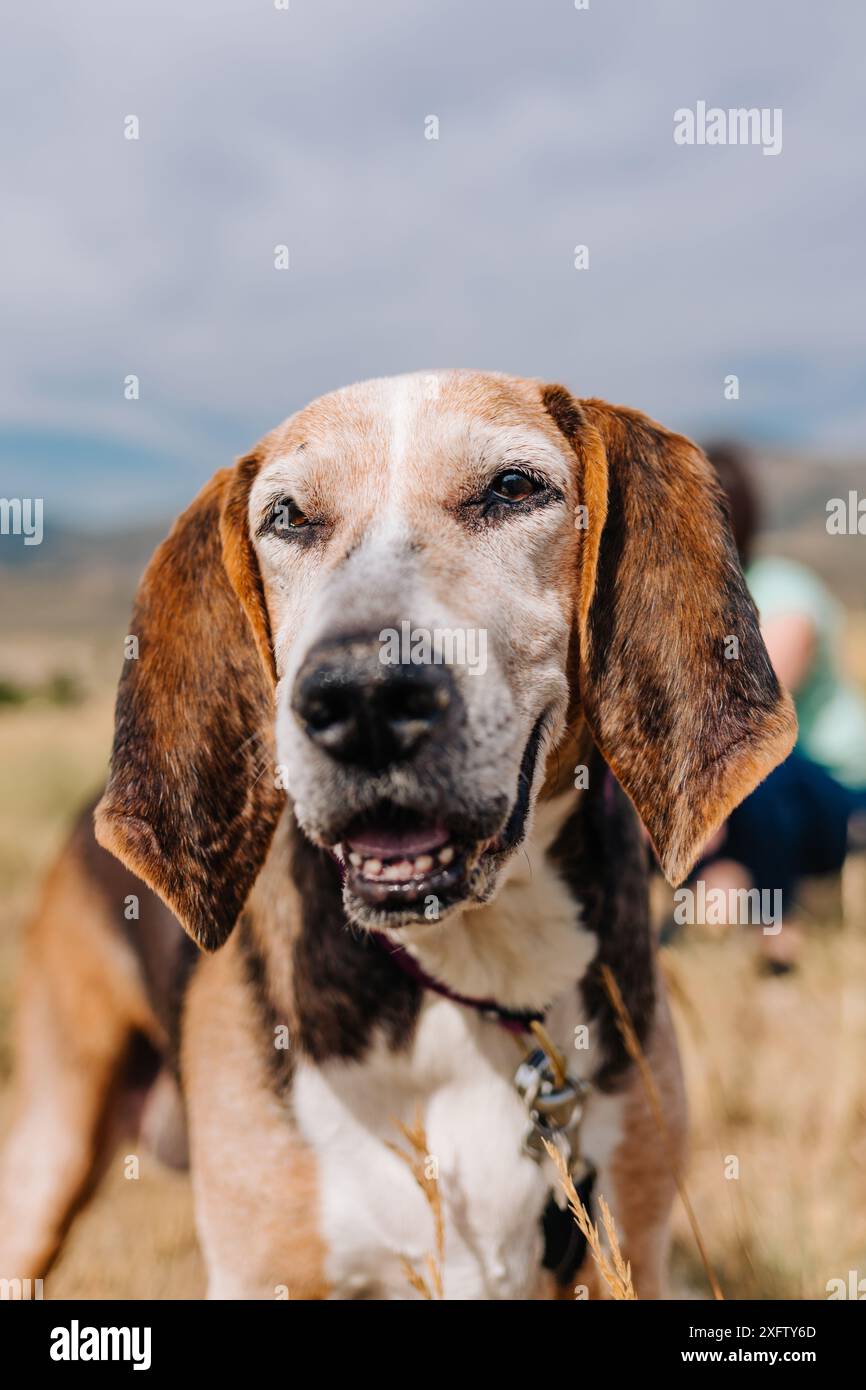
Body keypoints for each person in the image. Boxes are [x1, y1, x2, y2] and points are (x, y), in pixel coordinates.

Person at [694, 443, 866, 971]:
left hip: (836, 796)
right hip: (749, 805)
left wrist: (705, 820)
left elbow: (755, 717)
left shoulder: (783, 592)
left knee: (764, 763)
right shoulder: (690, 603)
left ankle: (779, 930)